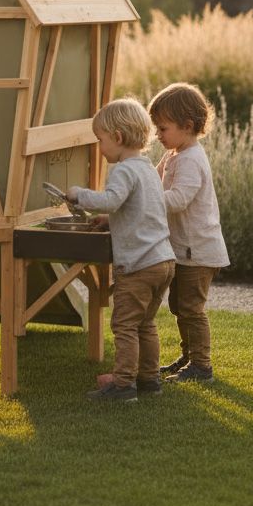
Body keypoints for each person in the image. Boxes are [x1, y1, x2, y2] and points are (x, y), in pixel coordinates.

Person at [67, 98, 175, 403]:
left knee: (124, 325)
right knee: (146, 323)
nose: (99, 148)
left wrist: (79, 196)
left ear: (117, 137)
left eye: (100, 140)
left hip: (139, 266)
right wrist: (111, 220)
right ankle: (149, 379)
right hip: (163, 261)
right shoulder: (147, 170)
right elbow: (139, 209)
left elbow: (112, 199)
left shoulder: (123, 170)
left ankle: (124, 385)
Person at [148, 82, 230, 384]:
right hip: (182, 249)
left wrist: (147, 202)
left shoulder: (191, 159)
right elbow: (153, 183)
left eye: (162, 128)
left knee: (192, 309)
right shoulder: (173, 154)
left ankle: (202, 366)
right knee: (179, 306)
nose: (158, 134)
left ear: (187, 126)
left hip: (199, 250)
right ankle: (189, 356)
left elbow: (179, 199)